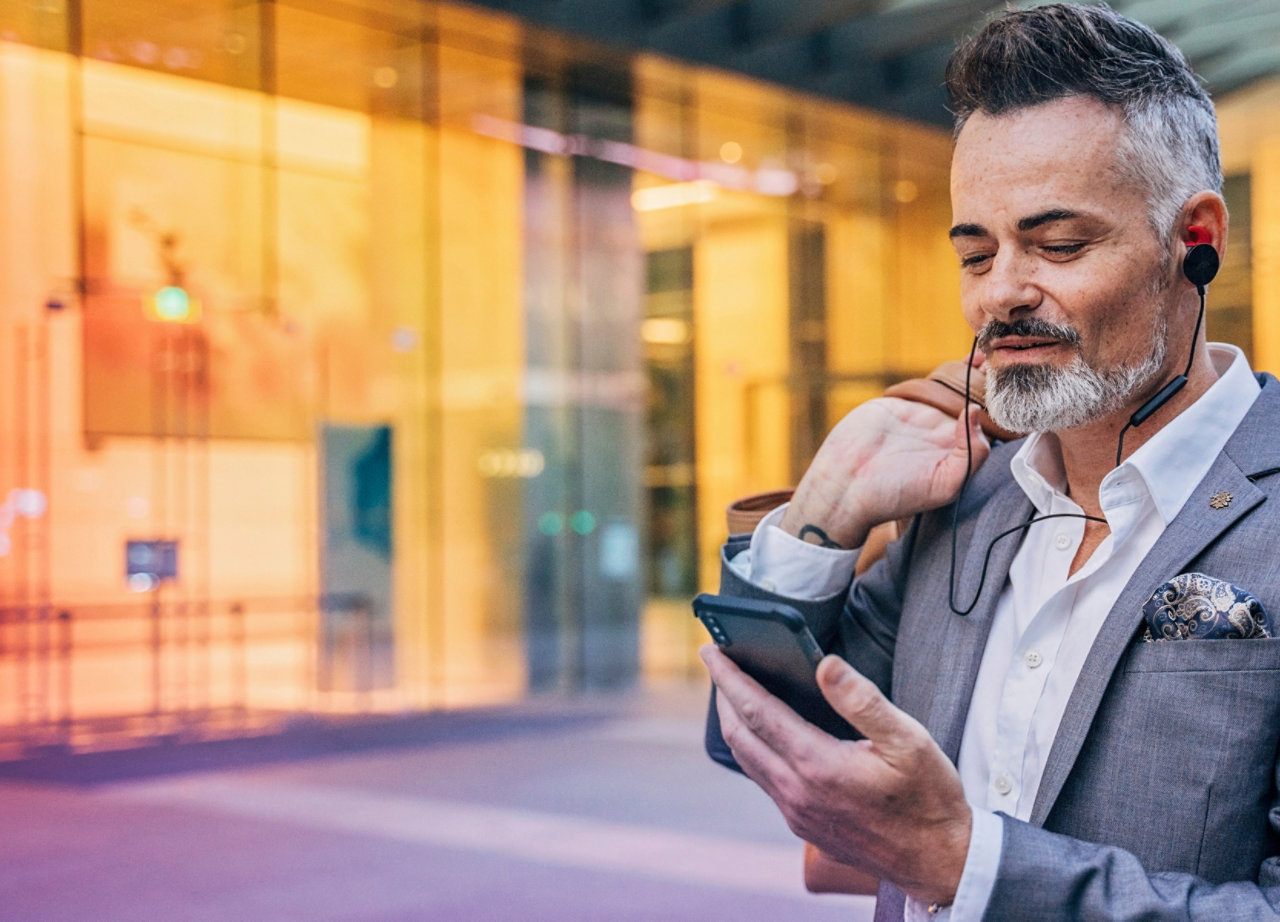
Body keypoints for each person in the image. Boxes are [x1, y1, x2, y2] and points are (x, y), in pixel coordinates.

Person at [700, 4, 1280, 920]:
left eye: (1058, 245)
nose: (1003, 293)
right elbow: (762, 738)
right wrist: (826, 508)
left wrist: (961, 864)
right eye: (977, 254)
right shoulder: (962, 499)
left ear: (1195, 240)